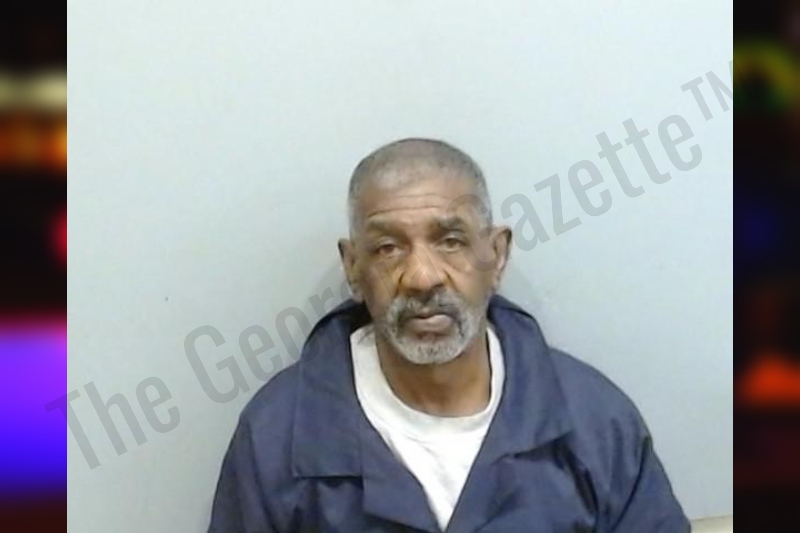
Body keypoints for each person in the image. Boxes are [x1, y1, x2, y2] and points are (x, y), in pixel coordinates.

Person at [208, 138, 690, 532]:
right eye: (388, 248)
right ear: (353, 268)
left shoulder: (595, 424)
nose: (422, 277)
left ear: (496, 255)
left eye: (451, 241)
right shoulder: (277, 435)